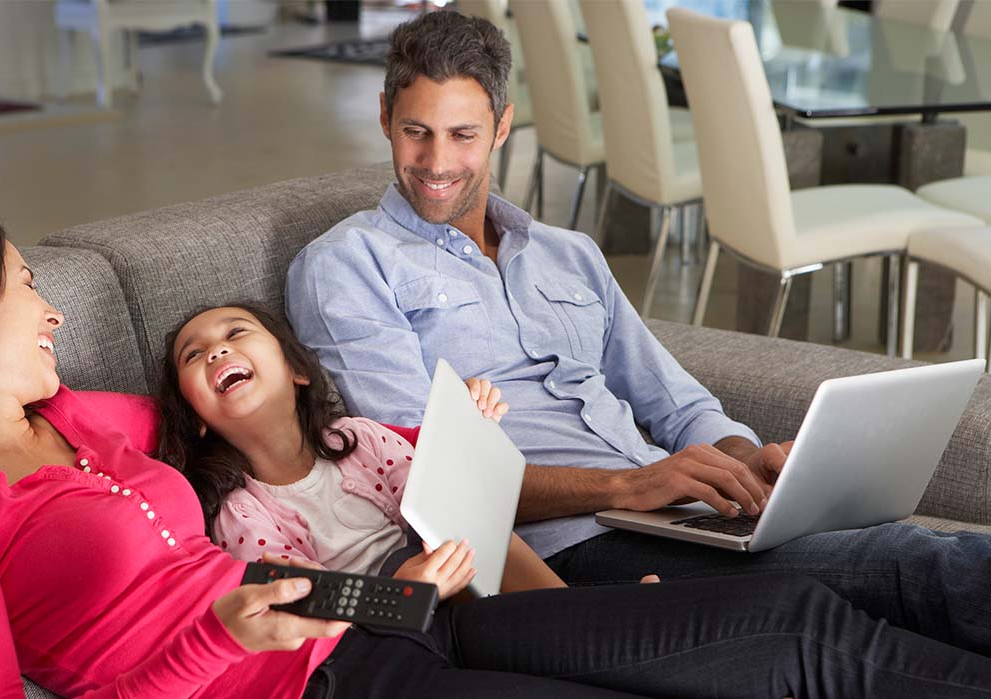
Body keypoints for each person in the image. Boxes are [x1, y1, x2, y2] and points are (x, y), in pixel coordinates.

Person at [0, 212, 991, 697]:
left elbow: (276, 419)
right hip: (304, 674)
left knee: (789, 629)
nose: (56, 312)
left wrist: (448, 448)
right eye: (28, 285)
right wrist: (208, 643)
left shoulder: (89, 421)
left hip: (380, 602)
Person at [284, 8, 991, 657]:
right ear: (383, 116)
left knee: (900, 565)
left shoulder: (569, 252)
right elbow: (428, 476)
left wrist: (750, 462)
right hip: (568, 548)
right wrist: (628, 484)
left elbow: (677, 405)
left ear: (502, 125)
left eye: (463, 134)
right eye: (417, 132)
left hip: (671, 512)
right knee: (914, 564)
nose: (437, 163)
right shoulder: (347, 266)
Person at [155, 301, 566, 597]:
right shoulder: (240, 512)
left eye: (236, 332)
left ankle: (572, 609)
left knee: (472, 534)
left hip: (451, 572)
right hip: (385, 628)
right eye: (194, 354)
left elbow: (443, 503)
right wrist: (404, 592)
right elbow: (306, 603)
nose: (217, 351)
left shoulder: (361, 438)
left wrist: (468, 434)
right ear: (197, 418)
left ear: (296, 370)